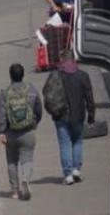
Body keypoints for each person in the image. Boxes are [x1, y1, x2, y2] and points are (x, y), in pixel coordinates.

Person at [43, 52, 94, 184]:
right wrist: (91, 117)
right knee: (77, 141)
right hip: (78, 116)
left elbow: (47, 93)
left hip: (60, 116)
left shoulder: (56, 75)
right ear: (74, 60)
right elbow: (89, 99)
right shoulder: (83, 76)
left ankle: (68, 175)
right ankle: (76, 169)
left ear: (62, 60)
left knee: (65, 144)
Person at [0, 63, 43, 200]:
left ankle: (15, 191)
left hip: (11, 133)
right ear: (23, 75)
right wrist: (34, 122)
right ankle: (26, 179)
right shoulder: (31, 89)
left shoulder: (5, 93)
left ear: (10, 76)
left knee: (11, 161)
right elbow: (39, 109)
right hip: (28, 131)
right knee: (27, 158)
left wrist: (1, 132)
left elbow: (2, 113)